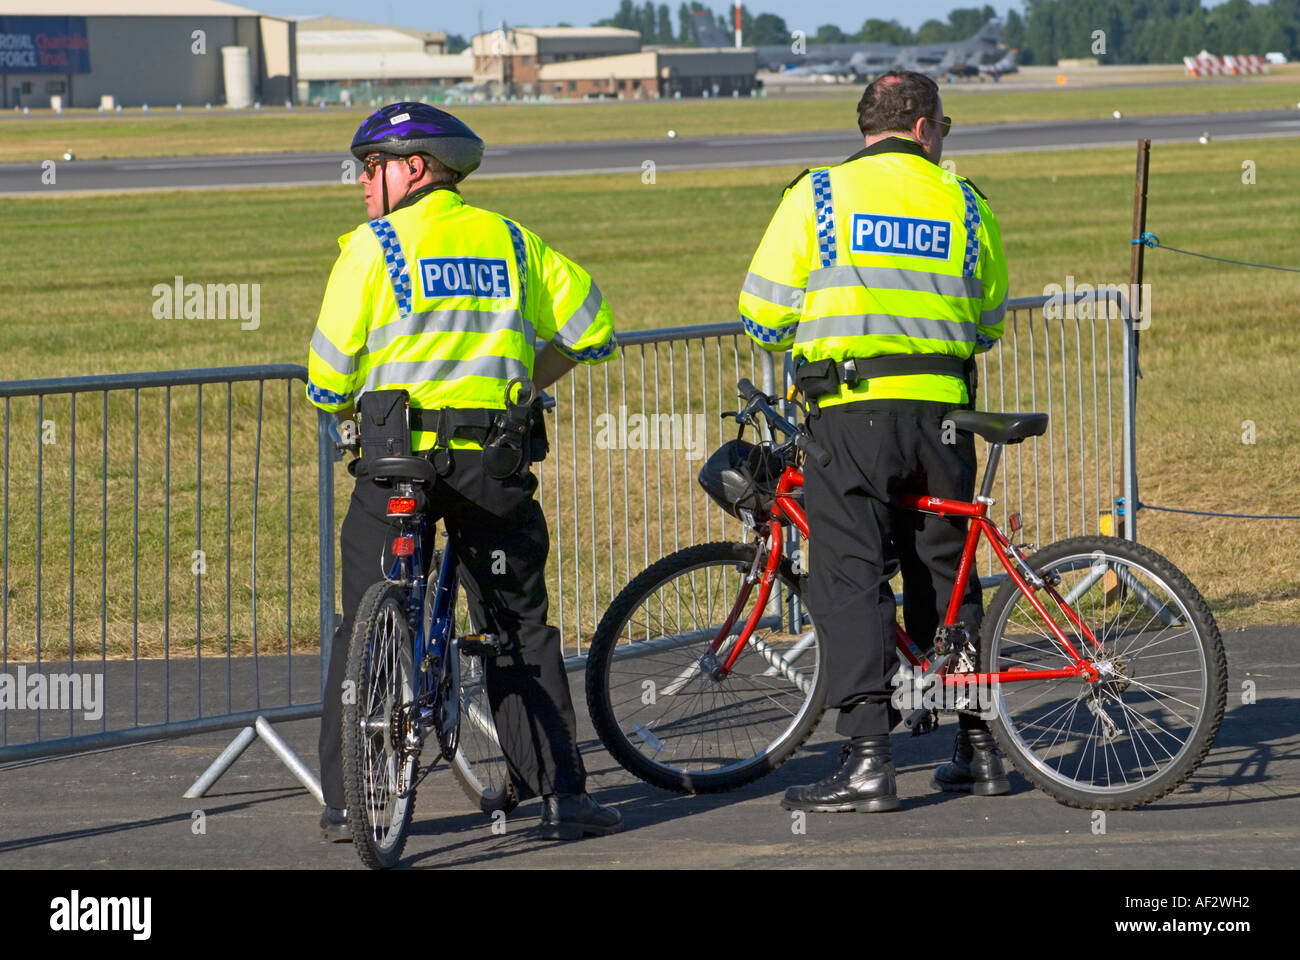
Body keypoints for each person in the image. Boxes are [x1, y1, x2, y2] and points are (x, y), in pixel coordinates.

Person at [307, 102, 622, 841]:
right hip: (493, 458)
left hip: (397, 462)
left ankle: (348, 805)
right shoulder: (511, 240)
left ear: (414, 168)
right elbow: (593, 330)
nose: (360, 182)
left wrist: (353, 400)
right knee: (517, 627)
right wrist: (529, 381)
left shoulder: (370, 247)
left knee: (364, 624)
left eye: (370, 166)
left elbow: (325, 378)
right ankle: (560, 797)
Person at [738, 71, 1011, 812]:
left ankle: (867, 758)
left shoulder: (817, 196)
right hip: (946, 413)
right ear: (924, 128)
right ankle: (978, 745)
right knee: (947, 571)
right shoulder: (964, 200)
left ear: (870, 125)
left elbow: (760, 312)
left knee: (851, 573)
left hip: (850, 413)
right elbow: (990, 321)